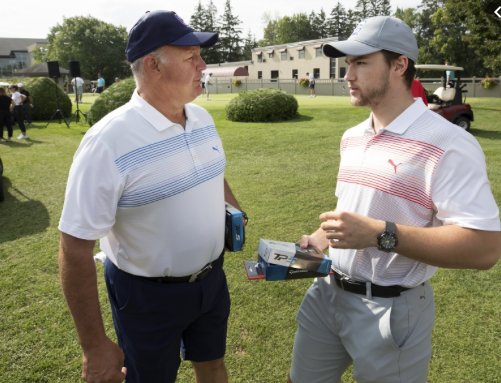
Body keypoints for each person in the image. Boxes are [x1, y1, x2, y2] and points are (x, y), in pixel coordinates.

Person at [288, 16, 500, 383]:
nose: (347, 76)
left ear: (399, 65)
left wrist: (380, 234)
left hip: (392, 310)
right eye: (348, 64)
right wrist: (315, 243)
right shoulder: (353, 136)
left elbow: (484, 248)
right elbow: (350, 211)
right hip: (326, 293)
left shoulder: (450, 144)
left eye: (361, 63)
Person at [58, 9, 245, 383]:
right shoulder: (106, 142)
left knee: (213, 366)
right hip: (145, 296)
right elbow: (74, 248)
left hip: (211, 281)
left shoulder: (202, 119)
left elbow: (213, 173)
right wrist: (94, 347)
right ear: (153, 66)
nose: (203, 65)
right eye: (191, 57)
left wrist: (233, 211)